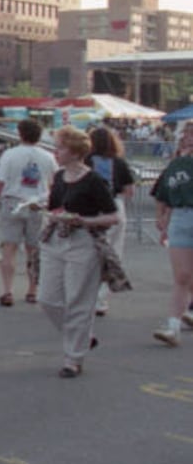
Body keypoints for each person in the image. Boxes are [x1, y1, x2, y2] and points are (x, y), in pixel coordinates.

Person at [37, 127, 120, 377]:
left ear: (74, 152)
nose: (55, 152)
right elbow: (55, 208)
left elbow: (113, 216)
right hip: (56, 240)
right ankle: (83, 337)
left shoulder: (93, 180)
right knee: (47, 298)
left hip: (83, 243)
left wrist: (84, 221)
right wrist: (46, 212)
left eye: (60, 147)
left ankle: (73, 358)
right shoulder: (60, 177)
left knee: (78, 300)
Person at [0, 119, 57, 307]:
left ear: (20, 134)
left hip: (12, 202)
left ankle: (7, 290)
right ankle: (32, 290)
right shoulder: (48, 157)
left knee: (9, 248)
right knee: (33, 250)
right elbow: (54, 183)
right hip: (38, 203)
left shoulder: (9, 155)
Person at [151, 123, 193, 347]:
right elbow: (162, 193)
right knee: (182, 275)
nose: (188, 139)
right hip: (181, 217)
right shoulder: (177, 165)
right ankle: (172, 326)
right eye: (186, 134)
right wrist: (162, 218)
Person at [88, 125, 137, 317]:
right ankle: (101, 298)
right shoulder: (119, 162)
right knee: (113, 253)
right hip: (116, 206)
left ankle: (89, 296)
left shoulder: (87, 161)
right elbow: (129, 190)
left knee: (92, 254)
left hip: (92, 208)